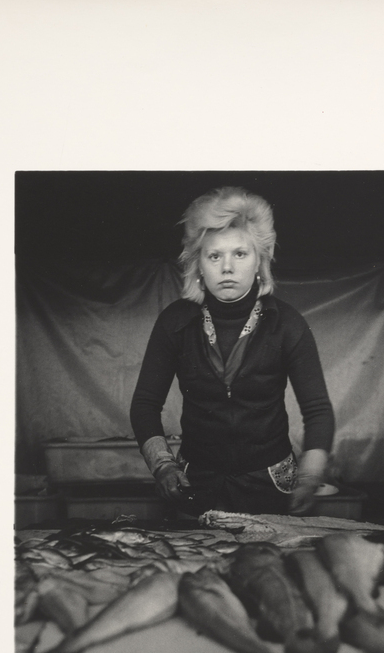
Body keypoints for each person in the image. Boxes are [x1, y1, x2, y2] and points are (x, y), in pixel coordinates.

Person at [130, 186, 334, 517]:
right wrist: (163, 465)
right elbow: (144, 405)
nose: (227, 267)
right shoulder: (174, 322)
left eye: (240, 254)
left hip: (270, 485)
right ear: (198, 265)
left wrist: (309, 478)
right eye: (214, 256)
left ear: (259, 261)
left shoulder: (288, 324)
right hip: (195, 484)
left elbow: (318, 410)